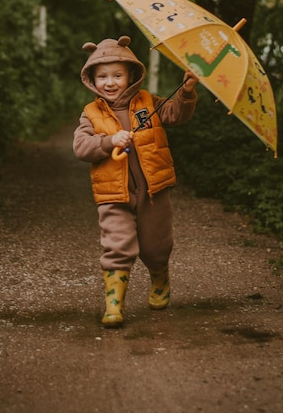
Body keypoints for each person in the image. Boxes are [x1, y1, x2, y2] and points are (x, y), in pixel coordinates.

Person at [73, 35, 198, 327]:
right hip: (113, 194)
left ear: (131, 75)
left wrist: (186, 92)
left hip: (153, 189)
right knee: (117, 245)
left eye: (117, 75)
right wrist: (108, 141)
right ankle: (113, 306)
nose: (110, 82)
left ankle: (159, 277)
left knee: (156, 246)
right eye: (102, 76)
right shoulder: (91, 114)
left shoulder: (148, 102)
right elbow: (81, 147)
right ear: (92, 79)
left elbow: (174, 115)